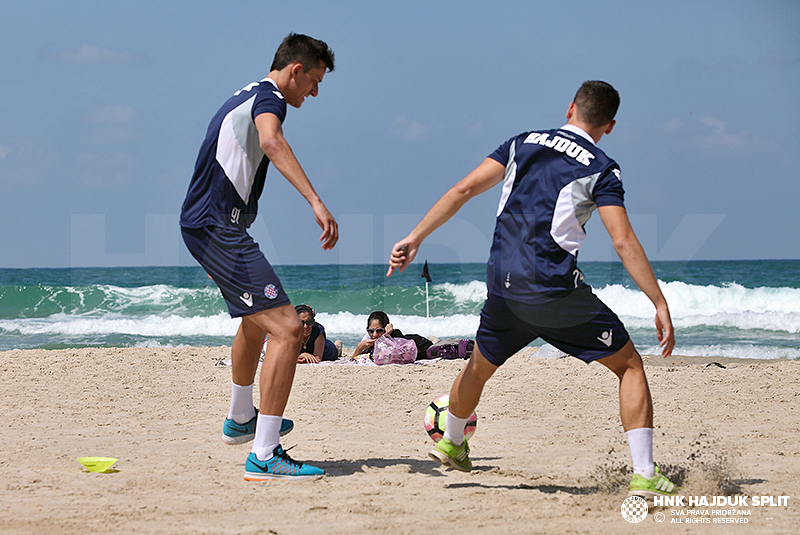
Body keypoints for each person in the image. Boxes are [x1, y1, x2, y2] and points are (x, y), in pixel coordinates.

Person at [387, 81, 679, 497]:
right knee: (629, 364)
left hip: (503, 284)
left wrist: (415, 237)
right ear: (609, 125)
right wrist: (658, 300)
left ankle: (452, 440)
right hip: (551, 289)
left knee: (480, 365)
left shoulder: (522, 143)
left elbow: (463, 189)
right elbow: (624, 240)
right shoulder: (602, 167)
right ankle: (646, 474)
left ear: (570, 108)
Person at [180, 33, 337, 481]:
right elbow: (271, 141)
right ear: (296, 70)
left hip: (209, 223)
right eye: (315, 80)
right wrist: (315, 202)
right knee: (289, 329)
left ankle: (241, 419)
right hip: (216, 225)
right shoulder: (270, 98)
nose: (315, 92)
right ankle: (265, 454)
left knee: (258, 319)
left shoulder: (246, 92)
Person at [351, 311, 433, 361]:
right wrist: (359, 347)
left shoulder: (395, 337)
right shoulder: (369, 337)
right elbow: (354, 359)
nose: (374, 334)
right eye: (371, 331)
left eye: (379, 330)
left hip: (422, 344)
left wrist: (386, 335)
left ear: (386, 328)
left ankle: (434, 339)